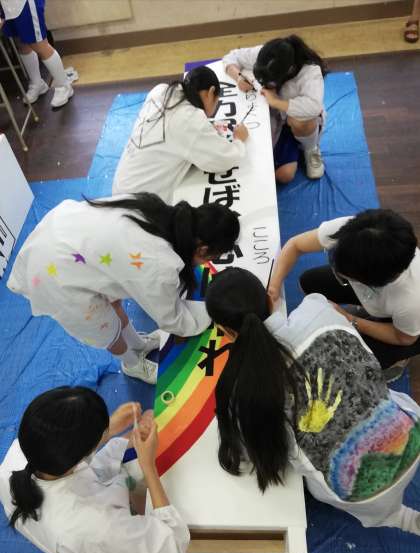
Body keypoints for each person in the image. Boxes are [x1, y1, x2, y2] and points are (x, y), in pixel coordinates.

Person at [205, 267, 420, 534]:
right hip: (411, 435)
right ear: (270, 300)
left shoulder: (245, 390)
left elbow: (259, 452)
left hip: (363, 492)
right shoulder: (317, 307)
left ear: (226, 332)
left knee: (304, 462)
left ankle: (400, 519)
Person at [7, 192, 240, 384]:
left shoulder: (157, 211)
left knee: (113, 300)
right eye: (210, 258)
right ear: (202, 249)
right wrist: (205, 317)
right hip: (53, 269)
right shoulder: (159, 263)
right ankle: (132, 364)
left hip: (67, 232)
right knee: (105, 326)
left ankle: (138, 344)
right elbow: (170, 317)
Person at [0, 387, 190, 553]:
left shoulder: (21, 455)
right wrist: (148, 466)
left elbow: (75, 462)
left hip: (73, 526)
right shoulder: (101, 527)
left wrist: (110, 428)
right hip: (99, 543)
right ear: (79, 457)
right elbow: (173, 543)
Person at [267, 209, 420, 380]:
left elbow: (404, 338)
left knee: (349, 361)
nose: (336, 272)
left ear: (370, 282)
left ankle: (397, 360)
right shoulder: (354, 231)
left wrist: (351, 319)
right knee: (311, 282)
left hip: (409, 330)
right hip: (382, 296)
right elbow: (295, 245)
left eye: (345, 275)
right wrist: (274, 284)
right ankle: (371, 311)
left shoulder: (411, 299)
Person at [113, 65, 249, 202]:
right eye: (216, 101)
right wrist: (239, 139)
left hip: (120, 188)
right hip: (140, 205)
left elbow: (175, 128)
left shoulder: (160, 90)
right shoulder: (190, 119)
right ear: (211, 92)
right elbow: (223, 159)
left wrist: (204, 128)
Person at [223, 35, 327, 183]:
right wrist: (238, 77)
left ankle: (311, 149)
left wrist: (276, 101)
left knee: (300, 121)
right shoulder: (265, 55)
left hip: (295, 121)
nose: (264, 84)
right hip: (271, 117)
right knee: (281, 173)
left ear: (290, 70)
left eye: (269, 82)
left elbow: (313, 107)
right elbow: (232, 56)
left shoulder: (310, 71)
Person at [0, 0, 73, 108]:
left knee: (39, 44)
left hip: (25, 3)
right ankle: (37, 83)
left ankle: (64, 86)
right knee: (21, 43)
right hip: (7, 5)